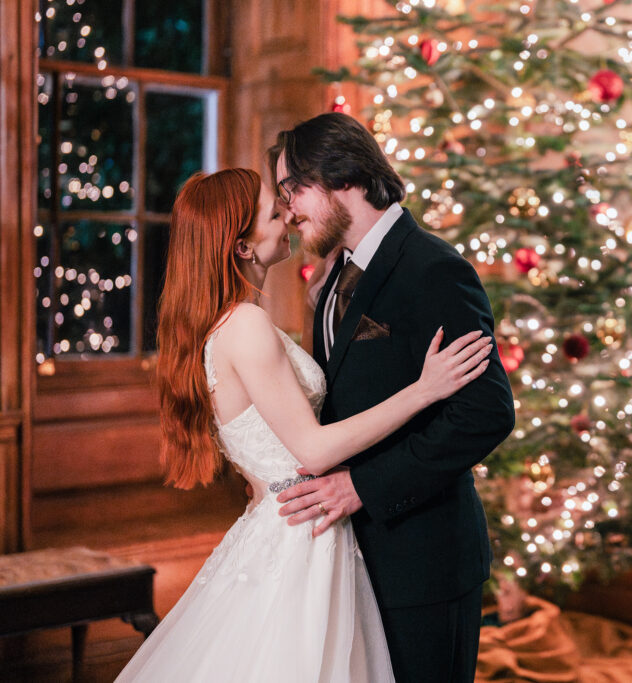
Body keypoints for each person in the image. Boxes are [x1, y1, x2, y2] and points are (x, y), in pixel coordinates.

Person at [116, 168, 493, 682]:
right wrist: (423, 390)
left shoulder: (232, 320)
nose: (289, 218)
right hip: (302, 535)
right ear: (243, 248)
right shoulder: (245, 325)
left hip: (290, 521)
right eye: (274, 213)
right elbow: (312, 451)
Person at [270, 112, 516, 683]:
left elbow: (486, 413)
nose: (288, 210)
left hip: (424, 560)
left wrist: (362, 487)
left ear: (344, 176)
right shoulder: (334, 274)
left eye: (294, 189)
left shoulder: (434, 270)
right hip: (356, 557)